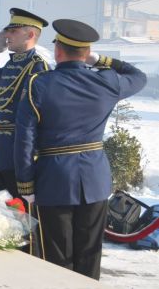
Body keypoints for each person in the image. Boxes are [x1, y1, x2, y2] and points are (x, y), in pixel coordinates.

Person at [14, 19, 147, 279]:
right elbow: (138, 77)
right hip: (95, 179)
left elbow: (24, 140)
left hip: (54, 180)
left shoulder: (38, 85)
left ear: (58, 50)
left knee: (56, 257)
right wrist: (104, 62)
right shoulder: (107, 82)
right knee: (89, 256)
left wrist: (25, 184)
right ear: (86, 53)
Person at [0, 8, 49, 201]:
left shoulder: (37, 68)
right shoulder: (11, 65)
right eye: (7, 30)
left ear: (30, 34)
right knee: (7, 213)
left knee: (25, 216)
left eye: (13, 31)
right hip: (2, 149)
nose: (6, 35)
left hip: (21, 153)